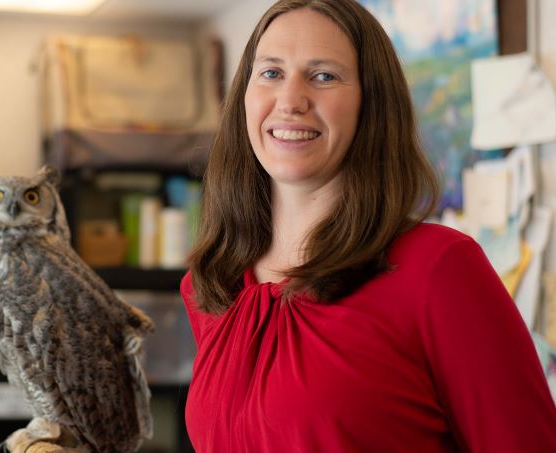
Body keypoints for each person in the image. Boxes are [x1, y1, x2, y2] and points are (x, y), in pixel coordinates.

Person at [180, 0, 556, 451]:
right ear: (244, 95)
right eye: (271, 73)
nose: (291, 100)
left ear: (370, 105)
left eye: (324, 76)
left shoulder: (438, 269)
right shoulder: (212, 286)